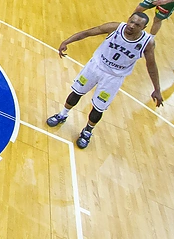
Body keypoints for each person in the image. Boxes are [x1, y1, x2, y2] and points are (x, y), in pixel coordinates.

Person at [46, 13, 162, 149]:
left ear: (144, 27)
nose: (131, 26)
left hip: (113, 78)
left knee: (98, 107)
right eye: (131, 21)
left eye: (137, 25)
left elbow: (151, 66)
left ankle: (87, 131)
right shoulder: (115, 27)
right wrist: (67, 41)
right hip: (95, 67)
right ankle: (62, 115)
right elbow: (88, 32)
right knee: (76, 92)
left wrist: (157, 89)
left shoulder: (147, 43)